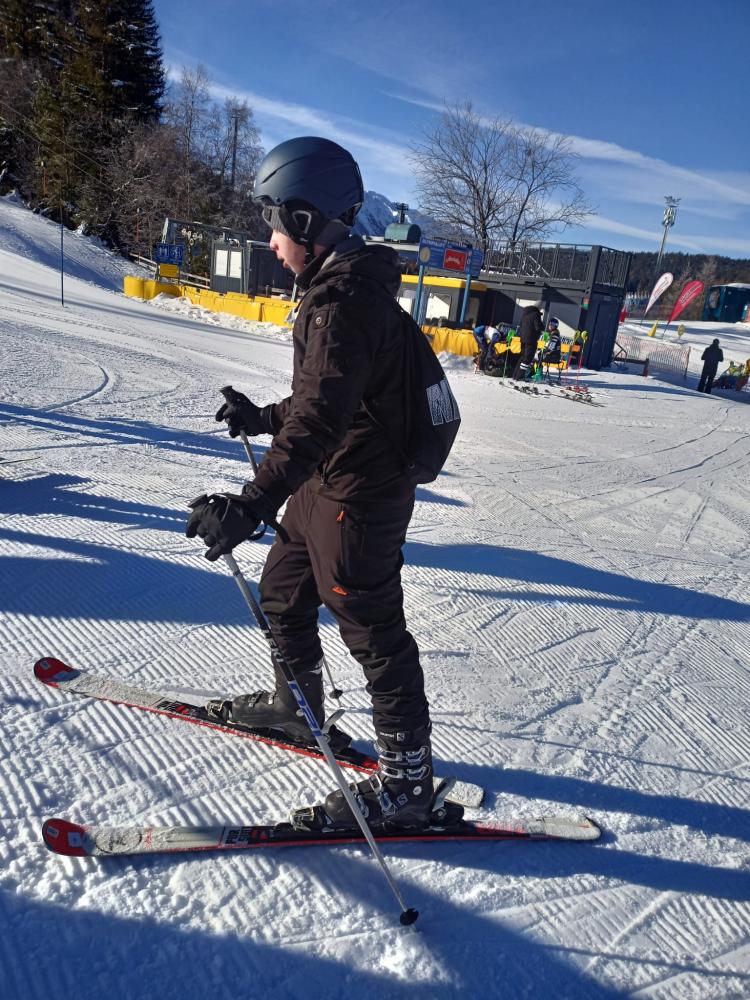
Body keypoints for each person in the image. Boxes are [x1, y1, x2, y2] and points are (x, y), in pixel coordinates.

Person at [185, 137, 441, 831]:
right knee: (282, 591)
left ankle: (407, 788)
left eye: (275, 223)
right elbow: (326, 398)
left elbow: (323, 417)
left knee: (375, 633)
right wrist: (262, 418)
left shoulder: (345, 301)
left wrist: (250, 504)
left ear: (305, 220)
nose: (270, 241)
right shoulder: (338, 290)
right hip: (325, 484)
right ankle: (295, 707)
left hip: (359, 496)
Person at [513, 301, 543, 380]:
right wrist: (541, 327)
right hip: (531, 340)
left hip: (522, 339)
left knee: (522, 357)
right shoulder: (536, 314)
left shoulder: (525, 314)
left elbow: (521, 325)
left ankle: (515, 375)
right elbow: (538, 327)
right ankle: (519, 376)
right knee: (527, 359)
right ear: (539, 308)